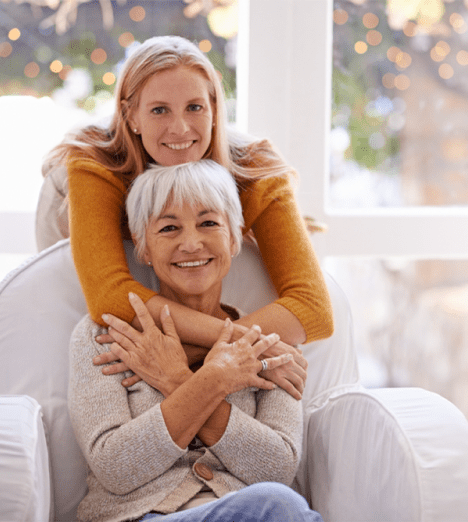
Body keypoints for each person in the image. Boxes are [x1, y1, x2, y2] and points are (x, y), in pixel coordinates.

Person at [41, 35, 330, 400]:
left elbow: (313, 309)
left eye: (194, 107)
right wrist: (239, 349)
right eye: (160, 110)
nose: (180, 128)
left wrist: (209, 357)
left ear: (214, 109)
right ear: (131, 116)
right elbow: (108, 296)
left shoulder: (257, 166)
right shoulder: (95, 161)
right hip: (62, 217)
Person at [69, 160, 321, 522]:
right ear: (143, 248)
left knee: (278, 502)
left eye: (208, 223)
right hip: (139, 517)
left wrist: (176, 380)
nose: (191, 243)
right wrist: (216, 380)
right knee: (278, 507)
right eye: (169, 228)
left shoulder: (269, 342)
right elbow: (115, 467)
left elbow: (276, 468)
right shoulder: (107, 335)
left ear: (233, 239)